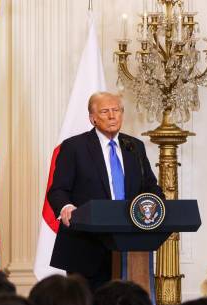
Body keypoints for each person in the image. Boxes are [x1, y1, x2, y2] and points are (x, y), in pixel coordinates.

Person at [47, 92, 164, 290]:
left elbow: (150, 187)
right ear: (93, 118)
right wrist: (66, 206)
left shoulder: (134, 146)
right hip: (86, 248)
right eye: (105, 111)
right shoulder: (74, 147)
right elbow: (58, 189)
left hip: (130, 247)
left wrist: (158, 204)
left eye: (116, 110)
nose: (112, 116)